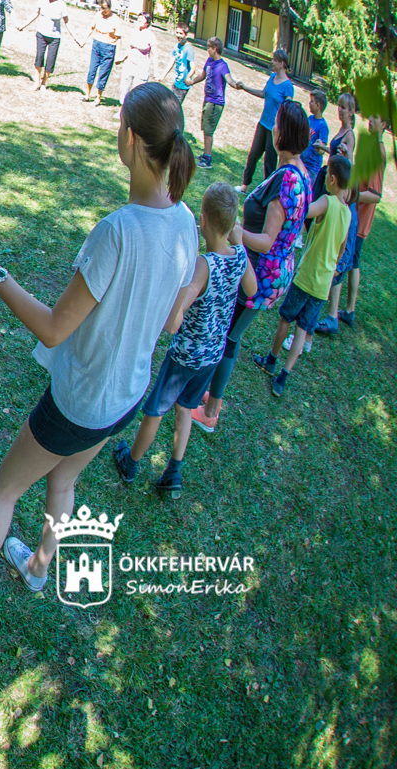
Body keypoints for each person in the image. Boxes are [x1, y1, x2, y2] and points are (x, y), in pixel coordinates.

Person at [0, 82, 197, 621]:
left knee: (5, 489)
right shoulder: (184, 221)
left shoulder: (117, 231)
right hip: (124, 398)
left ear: (133, 139)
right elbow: (168, 317)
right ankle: (39, 567)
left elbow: (51, 329)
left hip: (82, 400)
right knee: (64, 478)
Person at [112, 182, 256, 498]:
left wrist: (179, 289)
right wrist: (240, 242)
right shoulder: (239, 256)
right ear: (233, 226)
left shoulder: (204, 265)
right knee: (185, 408)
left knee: (155, 410)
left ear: (202, 220)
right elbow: (252, 290)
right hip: (214, 355)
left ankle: (131, 462)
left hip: (186, 357)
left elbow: (174, 323)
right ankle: (174, 472)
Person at [193, 101, 311, 432]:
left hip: (261, 275)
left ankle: (211, 412)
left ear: (282, 133)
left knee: (230, 337)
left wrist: (235, 231)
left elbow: (270, 240)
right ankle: (210, 395)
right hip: (274, 272)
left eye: (276, 124)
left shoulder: (287, 179)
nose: (272, 128)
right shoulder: (302, 173)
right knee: (230, 332)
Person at [251, 155, 352, 397]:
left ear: (333, 179)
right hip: (323, 285)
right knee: (303, 330)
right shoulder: (347, 214)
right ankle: (283, 376)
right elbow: (341, 249)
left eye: (327, 177)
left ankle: (271, 360)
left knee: (286, 319)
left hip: (306, 277)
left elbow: (305, 210)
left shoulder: (327, 202)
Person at [314, 96, 364, 336]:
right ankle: (331, 313)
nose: (340, 110)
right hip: (334, 194)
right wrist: (325, 148)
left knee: (338, 255)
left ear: (352, 111)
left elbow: (349, 166)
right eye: (339, 107)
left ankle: (331, 315)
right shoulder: (342, 130)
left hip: (343, 200)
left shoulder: (350, 135)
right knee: (333, 251)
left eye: (344, 108)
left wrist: (345, 155)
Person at [334, 112, 386, 330]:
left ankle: (344, 311)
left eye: (375, 117)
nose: (369, 119)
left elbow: (375, 194)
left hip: (360, 219)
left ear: (384, 124)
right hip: (356, 215)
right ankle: (348, 310)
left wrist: (352, 195)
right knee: (353, 261)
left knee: (350, 260)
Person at [235, 49, 296, 190]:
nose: (272, 62)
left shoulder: (288, 87)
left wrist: (282, 129)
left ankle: (267, 192)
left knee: (269, 162)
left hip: (275, 129)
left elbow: (288, 108)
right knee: (253, 155)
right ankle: (244, 186)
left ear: (281, 63)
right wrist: (245, 88)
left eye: (274, 60)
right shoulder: (272, 77)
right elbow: (263, 93)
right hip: (263, 124)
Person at [194, 37, 241, 169]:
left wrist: (236, 85)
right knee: (205, 127)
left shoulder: (222, 65)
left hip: (215, 103)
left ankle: (207, 160)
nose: (207, 49)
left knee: (209, 130)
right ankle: (205, 153)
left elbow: (229, 79)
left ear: (215, 49)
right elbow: (203, 75)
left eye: (209, 47)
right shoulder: (209, 61)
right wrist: (191, 81)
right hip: (207, 99)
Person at [16, 0, 68, 91]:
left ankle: (44, 83)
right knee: (39, 58)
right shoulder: (43, 0)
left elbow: (67, 21)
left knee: (50, 62)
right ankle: (37, 83)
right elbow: (35, 13)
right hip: (41, 35)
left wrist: (76, 38)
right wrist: (23, 25)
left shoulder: (61, 4)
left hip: (55, 37)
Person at [78, 0, 122, 104]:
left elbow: (119, 39)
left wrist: (118, 55)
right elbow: (91, 28)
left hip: (109, 47)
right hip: (97, 45)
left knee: (103, 73)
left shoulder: (115, 19)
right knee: (92, 70)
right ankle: (87, 95)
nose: (103, 10)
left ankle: (98, 97)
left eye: (105, 8)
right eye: (101, 8)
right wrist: (84, 40)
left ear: (110, 7)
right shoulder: (98, 15)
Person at [117, 12, 155, 110]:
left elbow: (155, 54)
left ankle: (134, 112)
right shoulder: (134, 31)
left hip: (142, 66)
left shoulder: (150, 35)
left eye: (141, 19)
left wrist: (156, 71)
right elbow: (130, 47)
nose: (139, 21)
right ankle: (123, 109)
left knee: (138, 91)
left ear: (147, 22)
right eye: (138, 19)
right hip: (130, 63)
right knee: (124, 87)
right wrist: (122, 58)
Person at [154, 22, 195, 106]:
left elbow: (193, 68)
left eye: (181, 33)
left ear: (186, 35)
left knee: (174, 107)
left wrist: (187, 78)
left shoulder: (188, 49)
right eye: (177, 33)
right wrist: (162, 76)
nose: (178, 35)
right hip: (176, 82)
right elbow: (171, 63)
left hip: (183, 85)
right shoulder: (176, 47)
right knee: (171, 104)